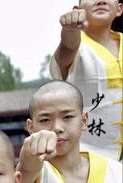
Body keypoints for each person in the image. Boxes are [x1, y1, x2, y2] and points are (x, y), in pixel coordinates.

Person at [50, 0, 123, 161]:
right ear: (77, 10)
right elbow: (68, 46)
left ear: (119, 9)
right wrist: (70, 29)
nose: (101, 0)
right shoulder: (76, 47)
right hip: (92, 153)